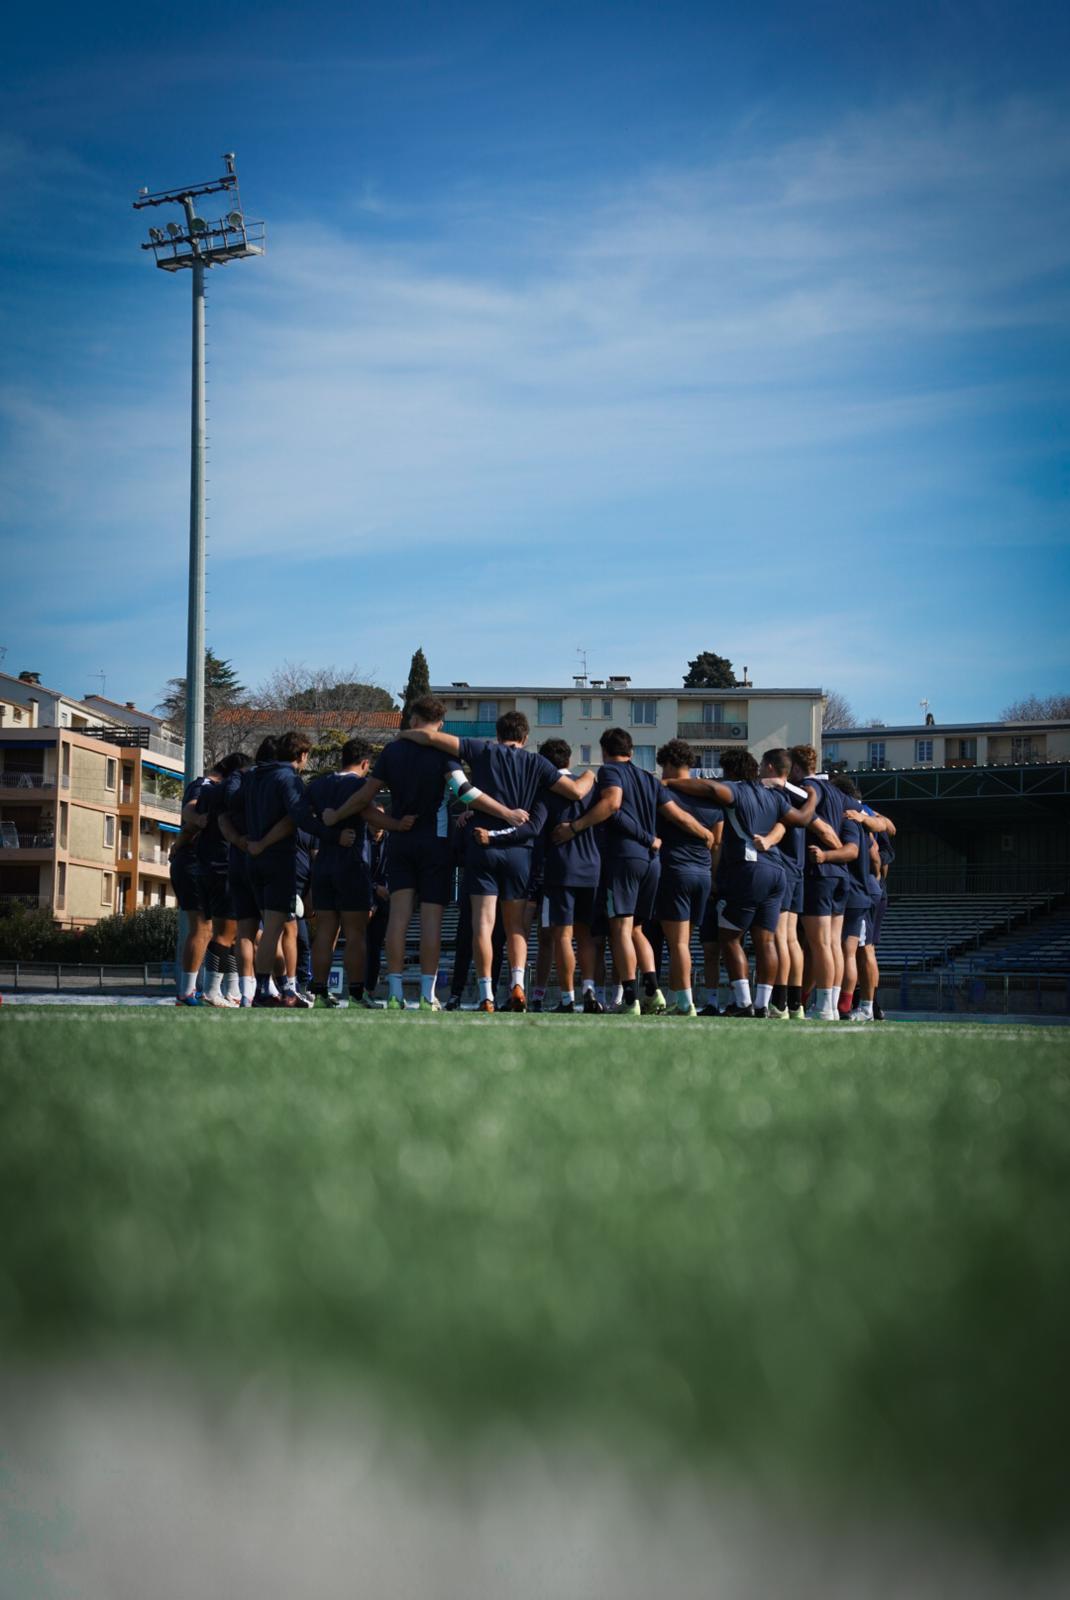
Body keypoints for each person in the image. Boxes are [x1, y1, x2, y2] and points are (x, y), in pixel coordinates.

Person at [324, 696, 529, 1011]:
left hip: (401, 842)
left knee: (399, 918)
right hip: (437, 842)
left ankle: (393, 992)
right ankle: (426, 995)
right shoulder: (442, 751)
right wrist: (505, 812)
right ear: (440, 725)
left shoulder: (393, 751)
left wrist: (338, 817)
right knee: (432, 921)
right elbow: (465, 792)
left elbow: (365, 796)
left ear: (412, 719)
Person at [398, 709, 588, 1012]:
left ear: (498, 735)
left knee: (482, 925)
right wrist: (591, 774)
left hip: (482, 845)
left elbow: (431, 737)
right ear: (525, 738)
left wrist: (405, 733)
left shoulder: (482, 750)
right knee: (515, 927)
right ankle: (517, 984)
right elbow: (576, 791)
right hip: (519, 852)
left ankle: (485, 993)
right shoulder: (537, 762)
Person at [553, 728, 716, 1017]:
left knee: (620, 929)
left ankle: (630, 998)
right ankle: (653, 991)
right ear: (631, 750)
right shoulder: (647, 778)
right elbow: (676, 814)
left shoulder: (610, 772)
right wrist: (704, 833)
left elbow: (612, 803)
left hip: (623, 859)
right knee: (638, 929)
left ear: (605, 751)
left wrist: (575, 827)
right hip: (652, 862)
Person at [665, 750, 817, 1016]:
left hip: (748, 869)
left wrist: (672, 783)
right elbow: (803, 820)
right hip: (777, 872)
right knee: (765, 941)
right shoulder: (774, 797)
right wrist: (813, 796)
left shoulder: (736, 790)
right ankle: (762, 1006)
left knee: (730, 939)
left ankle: (744, 1003)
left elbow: (710, 788)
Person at [300, 738, 413, 1010]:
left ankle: (319, 994)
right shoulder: (360, 784)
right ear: (365, 763)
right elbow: (371, 814)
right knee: (355, 934)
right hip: (352, 864)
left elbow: (305, 818)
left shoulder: (318, 785)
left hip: (323, 864)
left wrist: (330, 833)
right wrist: (397, 824)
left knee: (326, 931)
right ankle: (356, 994)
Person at [244, 730, 314, 1007]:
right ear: (302, 755)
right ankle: (264, 990)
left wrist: (250, 842)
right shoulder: (288, 778)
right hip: (277, 860)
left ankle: (285, 988)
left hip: (253, 861)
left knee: (282, 927)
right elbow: (295, 818)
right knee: (275, 929)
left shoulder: (251, 776)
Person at [654, 740, 722, 1016]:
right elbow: (717, 844)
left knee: (677, 943)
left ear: (669, 764)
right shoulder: (710, 799)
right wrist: (713, 877)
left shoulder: (664, 794)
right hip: (703, 874)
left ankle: (685, 1002)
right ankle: (677, 997)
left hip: (675, 871)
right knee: (685, 941)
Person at [168, 756, 243, 1006]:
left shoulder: (217, 791)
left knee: (224, 931)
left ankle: (227, 989)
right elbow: (190, 808)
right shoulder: (206, 785)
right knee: (203, 928)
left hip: (198, 861)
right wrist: (197, 819)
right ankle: (189, 991)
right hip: (196, 862)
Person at [789, 744, 852, 1021]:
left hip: (820, 872)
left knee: (820, 944)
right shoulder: (838, 792)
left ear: (795, 767)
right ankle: (832, 1004)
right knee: (833, 944)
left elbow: (819, 825)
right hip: (839, 874)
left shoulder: (805, 788)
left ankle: (824, 1006)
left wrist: (830, 847)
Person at [218, 736, 276, 1006]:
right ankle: (275, 987)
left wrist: (239, 840)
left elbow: (224, 813)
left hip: (240, 859)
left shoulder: (239, 781)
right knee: (274, 928)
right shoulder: (276, 780)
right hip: (266, 860)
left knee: (245, 932)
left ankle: (246, 993)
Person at [191, 750, 251, 1006]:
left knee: (231, 934)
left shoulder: (209, 793)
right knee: (225, 934)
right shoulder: (228, 790)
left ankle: (230, 990)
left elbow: (191, 820)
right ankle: (211, 990)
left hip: (210, 866)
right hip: (224, 867)